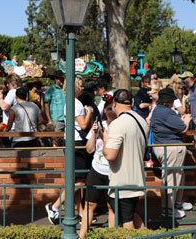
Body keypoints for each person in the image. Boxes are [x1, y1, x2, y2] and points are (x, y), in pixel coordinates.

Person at [45, 76, 92, 225]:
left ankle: (81, 213)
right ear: (75, 87)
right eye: (80, 85)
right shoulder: (76, 103)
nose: (83, 88)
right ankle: (55, 206)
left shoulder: (71, 102)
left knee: (76, 179)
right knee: (80, 181)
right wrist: (89, 112)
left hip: (71, 141)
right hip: (77, 143)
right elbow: (83, 125)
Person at [102, 89, 148, 229]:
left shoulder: (117, 123)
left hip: (122, 183)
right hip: (137, 178)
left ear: (114, 103)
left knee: (127, 222)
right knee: (131, 215)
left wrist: (105, 141)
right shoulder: (141, 120)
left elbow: (110, 155)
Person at [150, 88, 193, 219]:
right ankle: (168, 210)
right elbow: (182, 128)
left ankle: (177, 204)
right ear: (169, 101)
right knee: (171, 179)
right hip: (170, 147)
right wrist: (186, 121)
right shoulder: (165, 112)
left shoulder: (159, 110)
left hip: (169, 147)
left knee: (178, 176)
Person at [79, 100, 117, 239]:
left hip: (113, 172)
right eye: (108, 108)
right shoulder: (99, 126)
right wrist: (94, 133)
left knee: (111, 207)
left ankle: (112, 236)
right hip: (97, 170)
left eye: (113, 108)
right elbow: (89, 150)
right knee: (89, 205)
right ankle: (82, 236)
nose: (110, 111)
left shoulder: (119, 127)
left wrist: (105, 139)